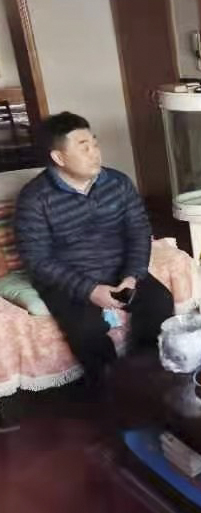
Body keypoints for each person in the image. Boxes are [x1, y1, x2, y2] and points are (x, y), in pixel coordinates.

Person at [14, 112, 173, 389]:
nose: (95, 153)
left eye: (95, 144)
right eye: (83, 147)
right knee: (87, 330)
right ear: (59, 157)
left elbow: (138, 231)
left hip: (118, 268)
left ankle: (146, 375)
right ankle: (111, 387)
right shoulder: (34, 198)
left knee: (159, 301)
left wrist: (132, 275)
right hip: (69, 279)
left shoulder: (118, 183)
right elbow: (38, 260)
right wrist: (89, 290)